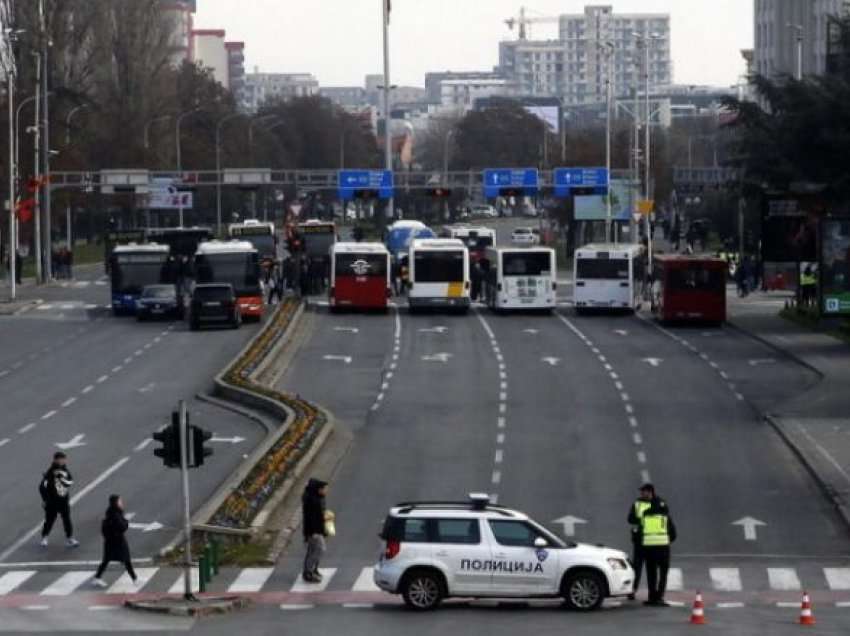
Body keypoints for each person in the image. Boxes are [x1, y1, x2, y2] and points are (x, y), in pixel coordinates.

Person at [91, 495, 137, 588]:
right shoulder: (115, 514)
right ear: (116, 503)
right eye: (120, 501)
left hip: (111, 542)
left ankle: (97, 578)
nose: (121, 503)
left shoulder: (112, 512)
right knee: (126, 559)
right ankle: (135, 579)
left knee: (107, 560)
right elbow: (122, 527)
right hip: (117, 542)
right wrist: (126, 521)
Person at [640, 492, 677, 607]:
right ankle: (660, 597)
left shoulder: (645, 515)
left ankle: (651, 597)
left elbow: (640, 532)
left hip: (649, 548)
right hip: (663, 549)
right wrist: (665, 540)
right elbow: (674, 534)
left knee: (651, 574)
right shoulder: (665, 517)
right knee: (663, 573)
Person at [39, 451, 79, 548]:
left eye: (64, 459)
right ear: (55, 460)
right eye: (61, 459)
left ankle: (70, 538)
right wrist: (45, 500)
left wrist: (62, 479)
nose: (63, 461)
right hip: (52, 501)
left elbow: (69, 483)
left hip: (63, 500)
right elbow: (42, 487)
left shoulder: (65, 471)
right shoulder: (50, 472)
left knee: (67, 520)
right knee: (49, 520)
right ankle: (45, 537)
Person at [626, 483, 655, 600]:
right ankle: (632, 590)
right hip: (639, 540)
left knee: (651, 569)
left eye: (644, 491)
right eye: (641, 492)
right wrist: (642, 518)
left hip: (653, 541)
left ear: (650, 492)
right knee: (636, 567)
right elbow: (630, 518)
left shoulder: (658, 503)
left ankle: (653, 593)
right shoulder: (637, 503)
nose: (642, 493)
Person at [301, 478, 328, 583]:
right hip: (314, 531)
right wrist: (314, 532)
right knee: (319, 549)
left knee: (313, 550)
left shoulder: (317, 498)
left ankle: (312, 569)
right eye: (324, 489)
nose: (326, 491)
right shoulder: (313, 502)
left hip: (316, 530)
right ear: (318, 489)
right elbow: (313, 519)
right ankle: (308, 572)